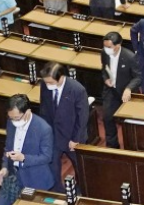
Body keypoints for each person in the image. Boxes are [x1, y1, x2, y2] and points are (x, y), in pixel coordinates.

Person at [38, 63, 89, 192]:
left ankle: (81, 192)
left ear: (60, 77)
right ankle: (57, 193)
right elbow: (44, 109)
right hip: (53, 135)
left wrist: (76, 139)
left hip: (72, 137)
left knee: (80, 168)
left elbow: (82, 118)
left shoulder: (77, 90)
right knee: (52, 166)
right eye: (46, 82)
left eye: (50, 82)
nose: (47, 85)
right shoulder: (45, 84)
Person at [0, 94, 54, 205]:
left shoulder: (44, 129)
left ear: (27, 112)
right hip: (12, 176)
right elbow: (8, 148)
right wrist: (4, 168)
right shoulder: (11, 122)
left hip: (34, 179)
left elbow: (47, 157)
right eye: (11, 118)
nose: (14, 121)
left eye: (17, 118)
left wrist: (24, 158)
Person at [101, 31, 141, 148]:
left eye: (109, 47)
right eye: (105, 46)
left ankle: (131, 147)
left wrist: (129, 88)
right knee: (107, 118)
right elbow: (104, 68)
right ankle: (112, 146)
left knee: (129, 122)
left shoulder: (130, 57)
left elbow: (138, 77)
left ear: (118, 45)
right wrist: (106, 79)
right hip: (111, 91)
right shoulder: (104, 53)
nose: (106, 49)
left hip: (126, 93)